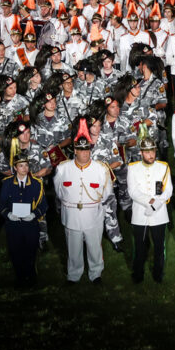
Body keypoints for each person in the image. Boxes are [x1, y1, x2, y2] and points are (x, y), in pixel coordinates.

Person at [54, 120, 113, 284]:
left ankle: (96, 273)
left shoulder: (100, 169)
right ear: (75, 150)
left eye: (87, 149)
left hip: (92, 214)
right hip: (71, 214)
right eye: (81, 150)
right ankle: (74, 274)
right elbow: (59, 191)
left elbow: (107, 192)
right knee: (73, 247)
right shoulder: (63, 168)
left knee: (94, 246)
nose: (85, 153)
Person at [126, 137, 173, 283]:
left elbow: (168, 190)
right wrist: (149, 201)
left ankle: (158, 274)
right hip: (140, 213)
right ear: (141, 153)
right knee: (139, 246)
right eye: (147, 152)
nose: (151, 155)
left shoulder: (163, 167)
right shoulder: (132, 168)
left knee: (159, 246)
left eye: (152, 151)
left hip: (159, 213)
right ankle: (138, 274)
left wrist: (155, 204)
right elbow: (133, 191)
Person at [0, 150, 47, 287]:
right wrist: (8, 214)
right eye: (21, 166)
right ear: (15, 168)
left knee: (31, 251)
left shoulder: (37, 183)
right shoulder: (7, 183)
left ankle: (31, 277)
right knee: (15, 252)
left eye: (26, 165)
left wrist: (34, 214)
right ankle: (20, 277)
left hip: (30, 225)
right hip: (13, 226)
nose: (24, 168)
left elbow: (44, 205)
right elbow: (1, 205)